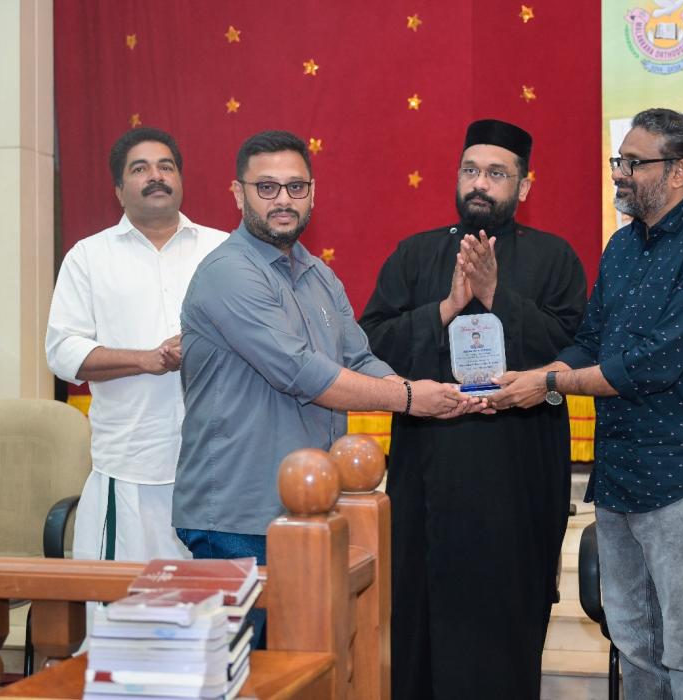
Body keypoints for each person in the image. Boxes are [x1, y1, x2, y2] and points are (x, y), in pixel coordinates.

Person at [491, 107, 683, 699]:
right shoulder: (622, 245)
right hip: (619, 475)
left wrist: (548, 385)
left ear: (679, 171)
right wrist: (538, 375)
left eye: (633, 162)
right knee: (633, 643)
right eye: (619, 160)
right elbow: (590, 340)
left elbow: (652, 366)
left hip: (682, 477)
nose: (619, 173)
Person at [359, 119, 587, 699]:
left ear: (524, 186)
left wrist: (494, 297)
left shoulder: (555, 258)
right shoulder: (415, 254)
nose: (479, 183)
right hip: (429, 468)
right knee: (419, 618)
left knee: (506, 617)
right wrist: (447, 306)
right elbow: (372, 345)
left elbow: (574, 353)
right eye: (470, 170)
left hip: (518, 471)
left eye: (495, 173)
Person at [172, 131, 476, 566]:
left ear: (312, 193)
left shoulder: (319, 275)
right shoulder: (228, 272)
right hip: (239, 516)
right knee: (258, 619)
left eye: (296, 187)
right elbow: (301, 373)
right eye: (266, 187)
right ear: (238, 194)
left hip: (314, 505)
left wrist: (433, 396)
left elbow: (359, 359)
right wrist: (411, 398)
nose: (283, 200)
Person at [46, 127, 229, 563]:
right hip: (129, 470)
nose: (156, 176)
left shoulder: (224, 250)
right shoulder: (89, 257)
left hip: (218, 467)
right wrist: (147, 360)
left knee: (214, 601)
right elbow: (62, 352)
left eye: (166, 166)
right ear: (118, 189)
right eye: (140, 168)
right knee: (123, 601)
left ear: (180, 180)